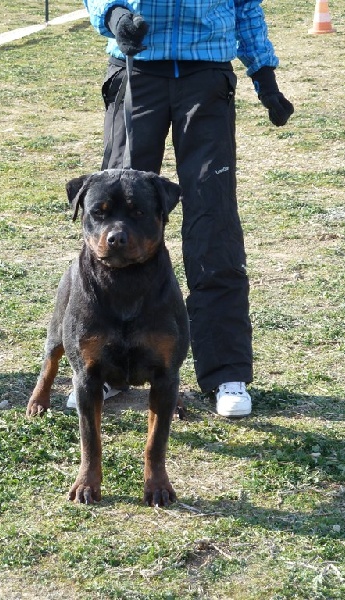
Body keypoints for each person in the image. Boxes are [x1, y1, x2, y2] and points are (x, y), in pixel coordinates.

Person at [78, 0, 294, 417]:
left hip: (206, 77)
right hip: (136, 71)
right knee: (116, 226)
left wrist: (263, 75)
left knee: (214, 223)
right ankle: (104, 370)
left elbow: (246, 6)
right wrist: (113, 15)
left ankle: (226, 371)